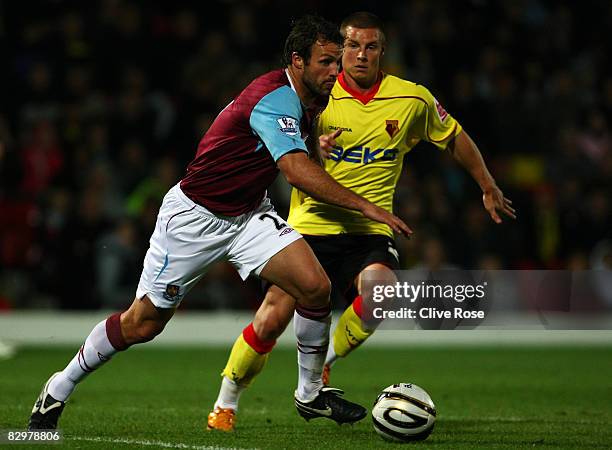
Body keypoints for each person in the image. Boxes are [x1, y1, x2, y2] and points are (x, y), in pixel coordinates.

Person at [28, 15, 412, 431]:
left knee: (315, 287)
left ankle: (309, 393)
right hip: (194, 218)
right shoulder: (275, 99)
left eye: (337, 62)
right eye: (326, 62)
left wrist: (314, 145)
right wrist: (366, 207)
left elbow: (302, 150)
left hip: (249, 215)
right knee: (143, 323)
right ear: (298, 61)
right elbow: (297, 172)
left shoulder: (311, 99)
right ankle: (59, 386)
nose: (335, 71)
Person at [207, 12, 515, 431]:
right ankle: (225, 403)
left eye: (370, 47)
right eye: (351, 46)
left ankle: (323, 367)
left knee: (382, 291)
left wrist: (486, 183)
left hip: (368, 229)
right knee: (272, 317)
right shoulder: (313, 95)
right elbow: (284, 149)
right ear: (339, 49)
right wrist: (314, 142)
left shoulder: (411, 99)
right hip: (309, 224)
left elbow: (454, 136)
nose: (359, 55)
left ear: (382, 52)